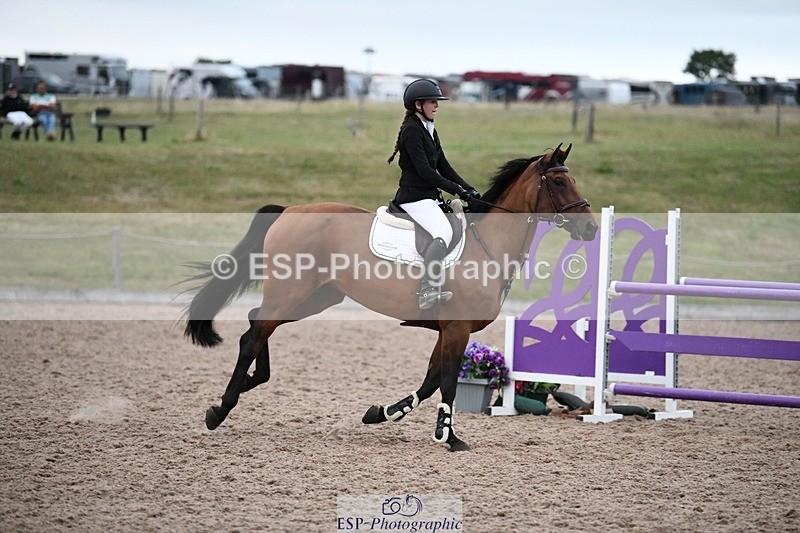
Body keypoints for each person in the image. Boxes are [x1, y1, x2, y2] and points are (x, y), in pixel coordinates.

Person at [387, 79, 481, 309]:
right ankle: (427, 289)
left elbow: (444, 166)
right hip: (413, 198)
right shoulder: (411, 131)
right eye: (432, 102)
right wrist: (455, 190)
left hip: (428, 197)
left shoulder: (429, 129)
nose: (437, 106)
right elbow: (426, 171)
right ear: (418, 105)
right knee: (443, 231)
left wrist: (468, 189)